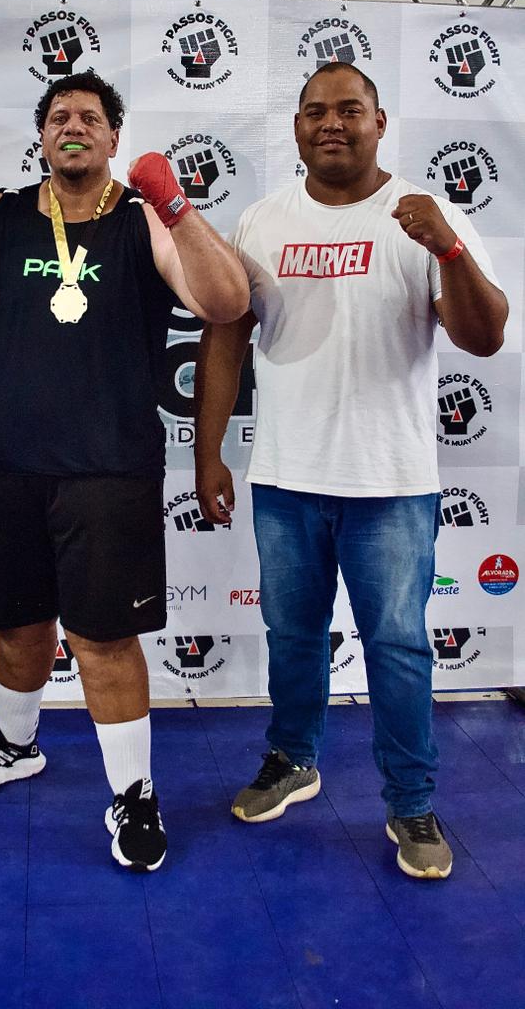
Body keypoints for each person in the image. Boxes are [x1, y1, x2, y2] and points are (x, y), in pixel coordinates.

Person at [0, 68, 248, 871]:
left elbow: (224, 303)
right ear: (42, 136)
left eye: (89, 117)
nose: (72, 126)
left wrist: (176, 204)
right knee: (18, 625)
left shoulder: (143, 220)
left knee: (104, 638)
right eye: (58, 117)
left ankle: (134, 792)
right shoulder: (1, 215)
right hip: (5, 461)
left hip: (108, 467)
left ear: (113, 136)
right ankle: (16, 744)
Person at [194, 61, 507, 880]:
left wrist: (447, 248)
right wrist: (207, 450)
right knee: (293, 636)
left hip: (391, 482)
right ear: (297, 127)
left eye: (349, 109)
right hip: (286, 476)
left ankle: (411, 802)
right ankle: (293, 758)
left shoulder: (425, 215)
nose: (331, 123)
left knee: (397, 648)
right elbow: (224, 337)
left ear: (379, 122)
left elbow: (484, 337)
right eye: (315, 111)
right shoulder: (262, 219)